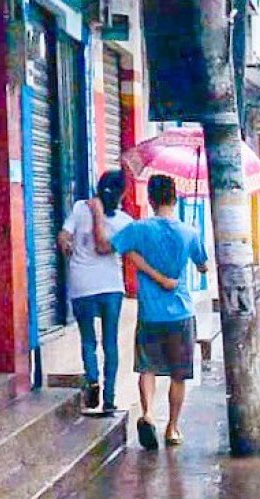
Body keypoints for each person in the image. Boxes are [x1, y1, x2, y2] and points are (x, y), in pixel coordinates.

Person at [111, 175, 209, 450]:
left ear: (151, 199)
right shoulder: (189, 232)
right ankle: (173, 428)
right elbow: (203, 266)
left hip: (150, 313)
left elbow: (118, 247)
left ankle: (148, 414)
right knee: (179, 374)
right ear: (174, 199)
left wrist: (147, 268)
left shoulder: (139, 228)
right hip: (181, 313)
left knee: (147, 367)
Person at [58, 170, 133, 413]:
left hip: (82, 285)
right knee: (110, 342)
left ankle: (92, 380)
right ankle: (109, 398)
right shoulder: (125, 222)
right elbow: (106, 247)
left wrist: (67, 246)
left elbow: (63, 236)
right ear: (122, 194)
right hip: (111, 287)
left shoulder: (81, 208)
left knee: (88, 339)